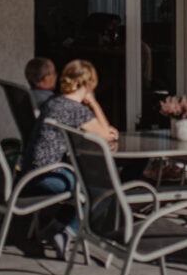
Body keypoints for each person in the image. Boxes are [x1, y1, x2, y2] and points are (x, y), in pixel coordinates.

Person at [19, 59, 118, 258]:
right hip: (50, 176)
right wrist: (94, 103)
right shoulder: (76, 109)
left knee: (85, 186)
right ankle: (67, 232)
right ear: (88, 85)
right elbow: (106, 135)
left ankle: (54, 229)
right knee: (103, 190)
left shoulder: (55, 102)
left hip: (31, 172)